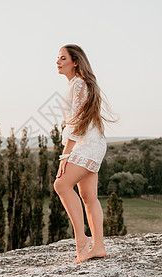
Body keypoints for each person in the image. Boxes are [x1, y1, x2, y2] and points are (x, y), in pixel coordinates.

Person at [54, 44, 115, 264]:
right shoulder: (77, 85)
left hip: (86, 143)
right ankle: (98, 246)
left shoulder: (78, 84)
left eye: (63, 58)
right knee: (89, 197)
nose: (58, 62)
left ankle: (81, 240)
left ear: (75, 61)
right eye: (57, 58)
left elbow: (77, 121)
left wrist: (65, 155)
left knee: (61, 185)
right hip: (92, 142)